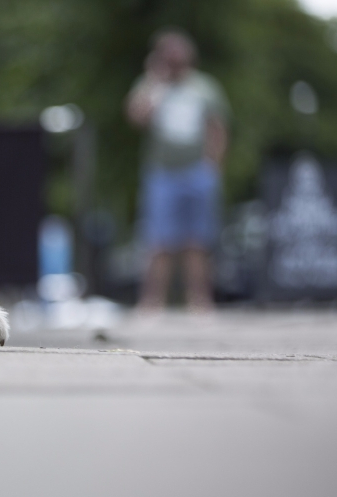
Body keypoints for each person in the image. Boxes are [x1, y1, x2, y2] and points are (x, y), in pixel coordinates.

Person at [126, 29, 229, 312]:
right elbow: (136, 117)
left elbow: (217, 129)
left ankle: (200, 302)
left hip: (198, 171)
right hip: (161, 173)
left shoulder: (205, 88)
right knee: (158, 241)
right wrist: (153, 80)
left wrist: (214, 167)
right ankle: (151, 303)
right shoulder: (152, 87)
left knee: (198, 241)